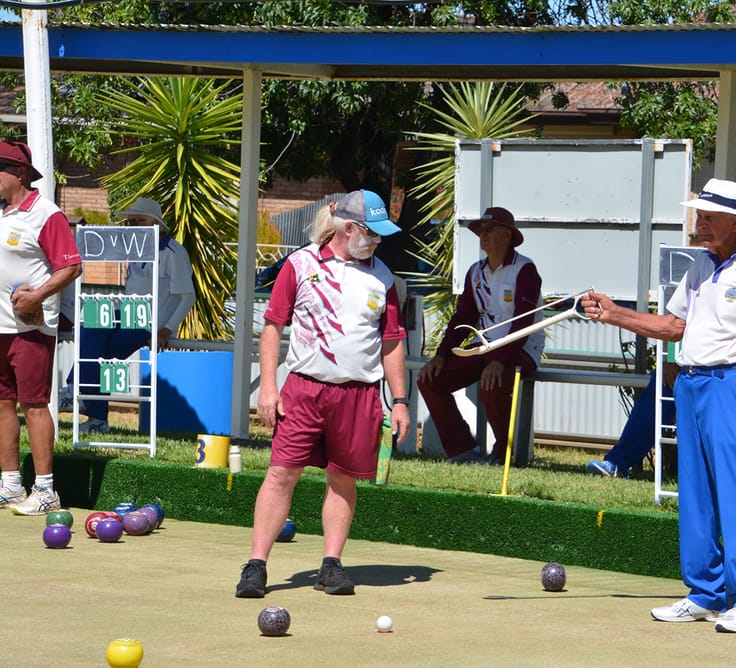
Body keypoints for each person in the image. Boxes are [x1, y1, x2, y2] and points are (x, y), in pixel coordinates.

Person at [583, 178, 736, 633]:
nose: (698, 224)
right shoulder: (701, 264)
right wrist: (615, 313)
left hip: (734, 384)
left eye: (707, 217)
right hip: (691, 384)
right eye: (697, 215)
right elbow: (672, 324)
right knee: (697, 495)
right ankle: (705, 593)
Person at [235, 189, 410, 599]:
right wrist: (269, 388)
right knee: (281, 473)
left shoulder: (383, 276)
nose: (377, 241)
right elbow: (274, 326)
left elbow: (392, 342)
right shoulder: (300, 264)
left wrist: (400, 401)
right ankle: (256, 565)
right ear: (349, 229)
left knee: (343, 479)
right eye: (372, 233)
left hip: (359, 394)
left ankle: (331, 565)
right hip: (304, 389)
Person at [417, 207, 544, 465]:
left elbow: (523, 321)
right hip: (483, 348)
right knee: (430, 379)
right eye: (479, 231)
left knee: (492, 385)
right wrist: (441, 355)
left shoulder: (525, 269)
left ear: (508, 234)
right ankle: (463, 451)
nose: (482, 235)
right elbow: (463, 317)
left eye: (489, 229)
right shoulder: (475, 271)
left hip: (522, 347)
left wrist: (499, 359)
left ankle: (503, 456)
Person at [62, 198, 196, 433]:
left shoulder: (173, 252)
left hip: (150, 322)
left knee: (97, 350)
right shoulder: (136, 251)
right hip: (129, 314)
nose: (133, 225)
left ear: (155, 224)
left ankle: (79, 393)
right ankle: (90, 409)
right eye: (130, 221)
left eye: (138, 221)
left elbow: (188, 296)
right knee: (94, 324)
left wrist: (167, 328)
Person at [0, 140, 82, 515]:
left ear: (18, 173)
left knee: (34, 405)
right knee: (1, 405)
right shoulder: (1, 213)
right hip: (0, 328)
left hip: (30, 328)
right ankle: (11, 485)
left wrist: (37, 297)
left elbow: (71, 266)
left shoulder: (46, 214)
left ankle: (46, 490)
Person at [586, 363, 680, 478]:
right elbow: (668, 346)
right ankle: (618, 463)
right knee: (662, 380)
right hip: (685, 368)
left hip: (704, 371)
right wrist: (666, 361)